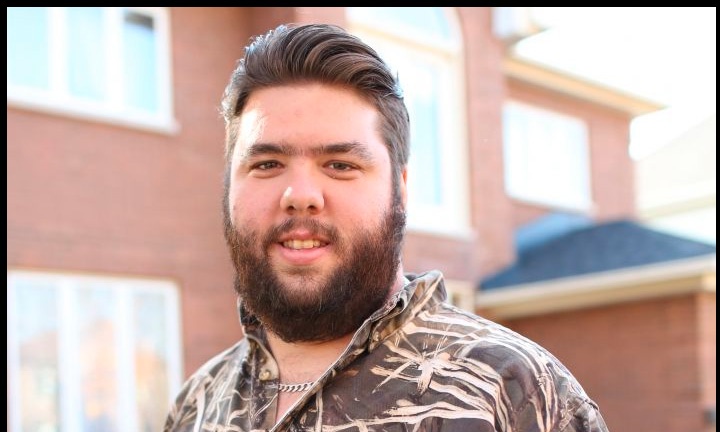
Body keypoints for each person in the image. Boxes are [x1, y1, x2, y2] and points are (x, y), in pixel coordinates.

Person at [163, 23, 609, 431]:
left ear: (401, 187)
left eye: (339, 164)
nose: (300, 194)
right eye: (266, 164)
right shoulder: (197, 405)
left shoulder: (516, 391)